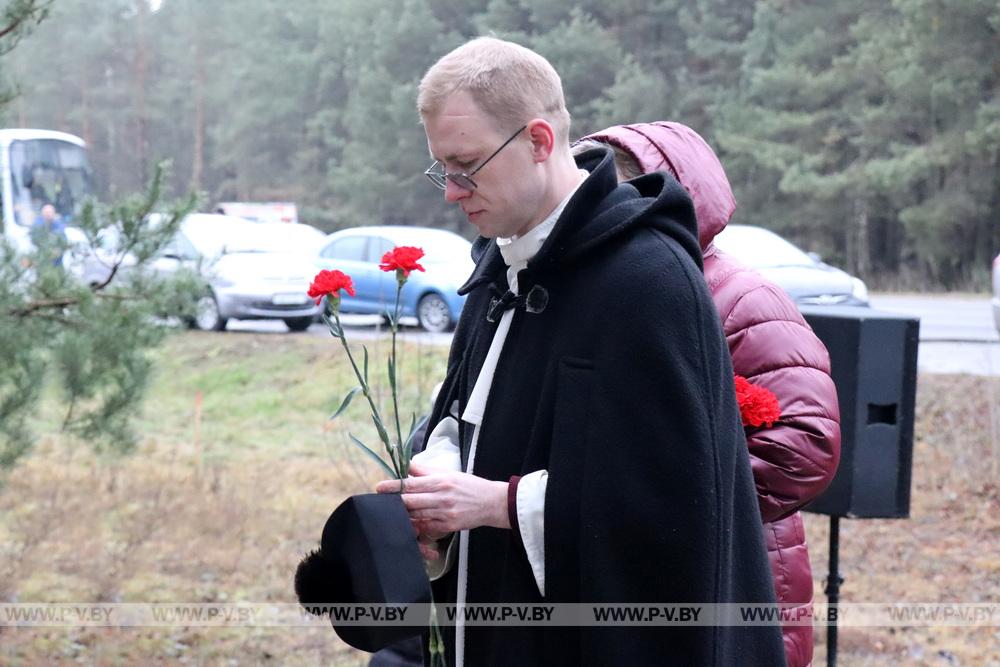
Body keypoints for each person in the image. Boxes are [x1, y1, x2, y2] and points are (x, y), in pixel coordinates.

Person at [374, 37, 785, 666]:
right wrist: (434, 494)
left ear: (539, 141)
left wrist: (495, 503)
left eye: (468, 166)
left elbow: (673, 505)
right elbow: (469, 419)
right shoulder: (501, 267)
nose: (451, 192)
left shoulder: (646, 278)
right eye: (442, 170)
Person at [577, 121, 841, 667]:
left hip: (730, 586)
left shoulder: (743, 299)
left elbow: (804, 449)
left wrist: (669, 507)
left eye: (604, 192)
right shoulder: (609, 288)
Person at [30, 203, 67, 268]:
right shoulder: (37, 225)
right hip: (43, 260)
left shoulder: (58, 224)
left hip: (57, 262)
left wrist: (59, 249)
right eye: (46, 212)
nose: (48, 214)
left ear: (54, 213)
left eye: (50, 212)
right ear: (42, 214)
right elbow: (35, 240)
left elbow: (64, 241)